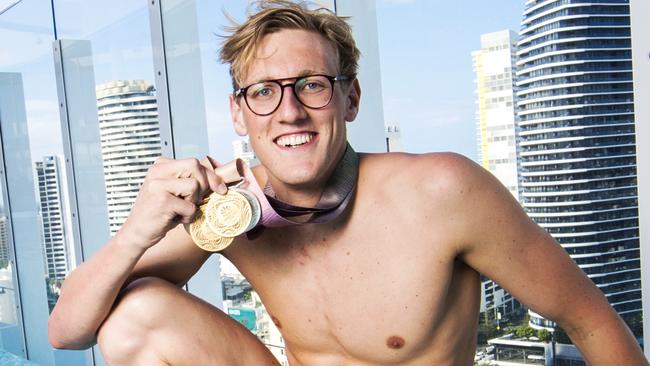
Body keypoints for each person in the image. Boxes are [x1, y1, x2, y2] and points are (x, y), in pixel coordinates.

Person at [48, 1, 648, 365]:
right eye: (264, 92)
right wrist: (136, 232)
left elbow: (589, 319)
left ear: (349, 97)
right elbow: (68, 333)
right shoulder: (230, 211)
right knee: (136, 313)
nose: (289, 113)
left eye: (311, 84)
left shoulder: (443, 191)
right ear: (239, 114)